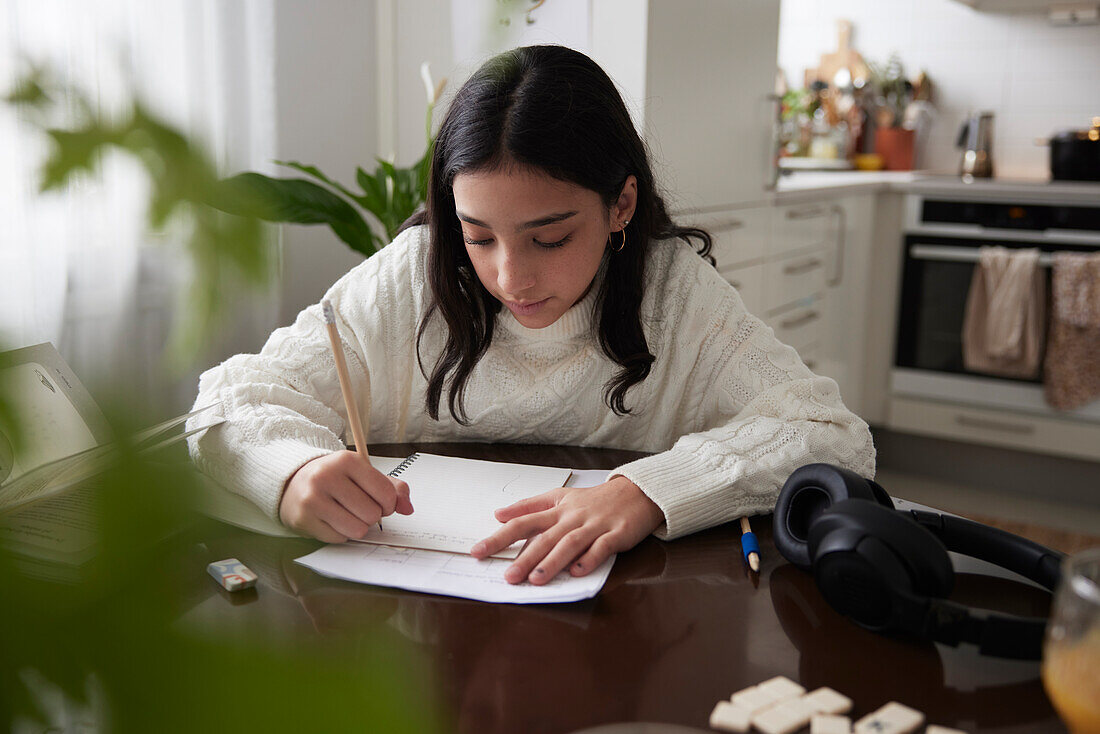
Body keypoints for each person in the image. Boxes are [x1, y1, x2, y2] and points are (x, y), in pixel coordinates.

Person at [188, 45, 875, 586]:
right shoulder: (412, 275)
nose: (510, 276)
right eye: (478, 235)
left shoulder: (675, 294)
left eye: (549, 237)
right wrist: (292, 472)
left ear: (622, 205)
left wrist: (648, 490)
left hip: (619, 620)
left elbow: (833, 435)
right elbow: (228, 401)